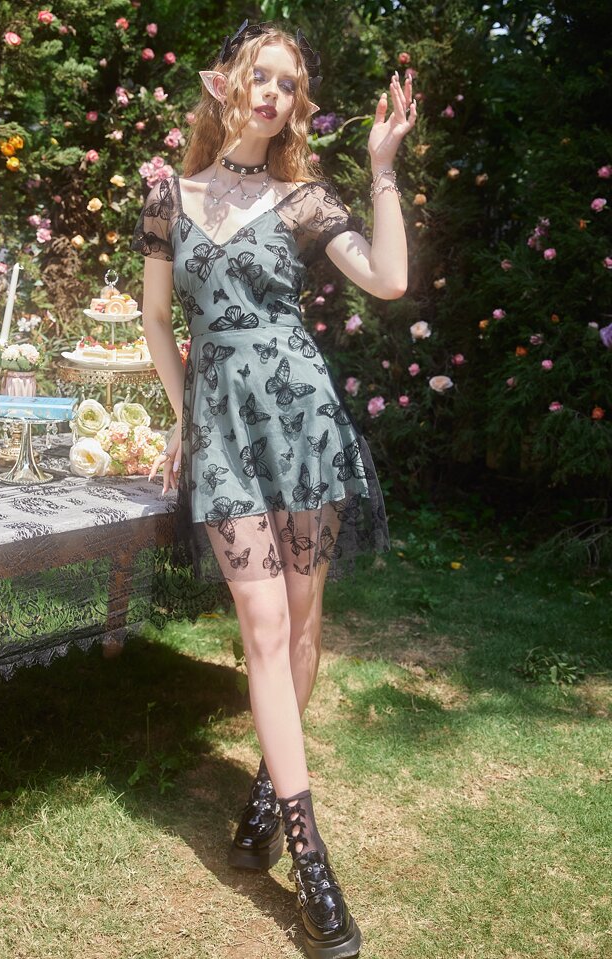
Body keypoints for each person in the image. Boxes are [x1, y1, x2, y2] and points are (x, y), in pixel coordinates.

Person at [134, 20, 416, 959]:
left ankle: (265, 795)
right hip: (222, 431)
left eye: (288, 83)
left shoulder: (302, 198)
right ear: (225, 85)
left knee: (300, 624)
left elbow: (389, 278)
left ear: (296, 104)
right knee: (260, 625)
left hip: (302, 421)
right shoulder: (170, 196)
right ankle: (311, 856)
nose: (272, 93)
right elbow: (157, 317)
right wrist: (183, 416)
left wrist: (381, 168)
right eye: (260, 75)